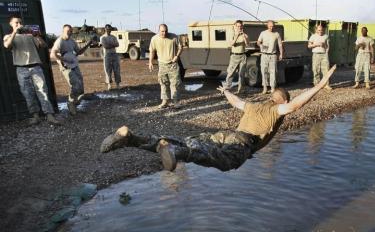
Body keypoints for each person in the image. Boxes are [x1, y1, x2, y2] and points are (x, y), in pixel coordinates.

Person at [100, 65, 337, 172]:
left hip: (223, 134)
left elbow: (236, 102)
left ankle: (130, 137)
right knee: (223, 162)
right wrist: (319, 84)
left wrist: (225, 92)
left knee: (184, 142)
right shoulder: (277, 110)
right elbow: (297, 104)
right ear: (282, 101)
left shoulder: (254, 105)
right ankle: (174, 152)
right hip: (241, 142)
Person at [3, 15, 60, 125]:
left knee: (43, 91)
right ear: (11, 24)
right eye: (16, 23)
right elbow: (7, 45)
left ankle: (49, 115)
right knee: (27, 93)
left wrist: (37, 36)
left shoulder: (30, 36)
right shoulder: (8, 36)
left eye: (20, 22)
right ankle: (35, 116)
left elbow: (43, 45)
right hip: (21, 69)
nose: (19, 24)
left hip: (35, 67)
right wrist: (15, 32)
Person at [50, 24, 94, 115]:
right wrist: (64, 60)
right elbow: (52, 54)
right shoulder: (59, 41)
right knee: (75, 85)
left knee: (81, 88)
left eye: (70, 31)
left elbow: (78, 52)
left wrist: (88, 44)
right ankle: (70, 103)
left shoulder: (71, 41)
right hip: (66, 67)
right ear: (63, 31)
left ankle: (74, 104)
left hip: (74, 65)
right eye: (67, 31)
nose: (69, 33)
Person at [148, 24, 183, 109]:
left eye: (166, 31)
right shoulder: (154, 39)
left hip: (173, 64)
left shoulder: (174, 37)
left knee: (175, 84)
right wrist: (150, 62)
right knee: (163, 83)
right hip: (162, 65)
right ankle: (165, 102)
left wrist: (177, 56)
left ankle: (176, 102)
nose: (164, 33)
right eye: (162, 31)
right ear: (158, 31)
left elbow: (181, 47)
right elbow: (152, 51)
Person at [257, 20, 283, 94]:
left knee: (273, 72)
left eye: (272, 26)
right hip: (264, 55)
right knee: (264, 71)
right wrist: (261, 45)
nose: (271, 27)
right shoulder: (263, 33)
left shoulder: (277, 34)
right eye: (270, 26)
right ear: (267, 26)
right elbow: (258, 42)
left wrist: (281, 54)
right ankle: (265, 87)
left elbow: (280, 45)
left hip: (273, 55)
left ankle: (272, 87)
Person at [224, 20, 249, 93]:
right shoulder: (233, 34)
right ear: (235, 26)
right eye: (238, 26)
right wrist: (237, 35)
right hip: (234, 56)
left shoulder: (245, 35)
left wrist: (244, 37)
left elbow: (247, 44)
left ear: (242, 26)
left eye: (240, 26)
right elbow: (232, 44)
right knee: (231, 72)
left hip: (242, 56)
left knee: (241, 74)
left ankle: (240, 90)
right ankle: (227, 88)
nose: (239, 27)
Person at [308, 25, 332, 90]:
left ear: (323, 30)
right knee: (316, 70)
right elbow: (309, 46)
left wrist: (324, 46)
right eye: (319, 30)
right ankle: (317, 85)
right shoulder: (313, 36)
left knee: (326, 70)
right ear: (316, 30)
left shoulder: (326, 36)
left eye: (321, 30)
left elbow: (328, 47)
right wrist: (316, 44)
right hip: (316, 54)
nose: (320, 31)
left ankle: (326, 84)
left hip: (324, 55)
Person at [100, 24, 121, 90]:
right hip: (107, 55)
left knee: (117, 70)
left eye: (110, 29)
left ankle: (118, 84)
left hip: (114, 54)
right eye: (107, 29)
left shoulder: (113, 37)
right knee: (107, 70)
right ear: (105, 29)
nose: (109, 30)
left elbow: (117, 44)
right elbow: (105, 46)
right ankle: (109, 85)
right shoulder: (102, 37)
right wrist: (112, 45)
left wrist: (110, 45)